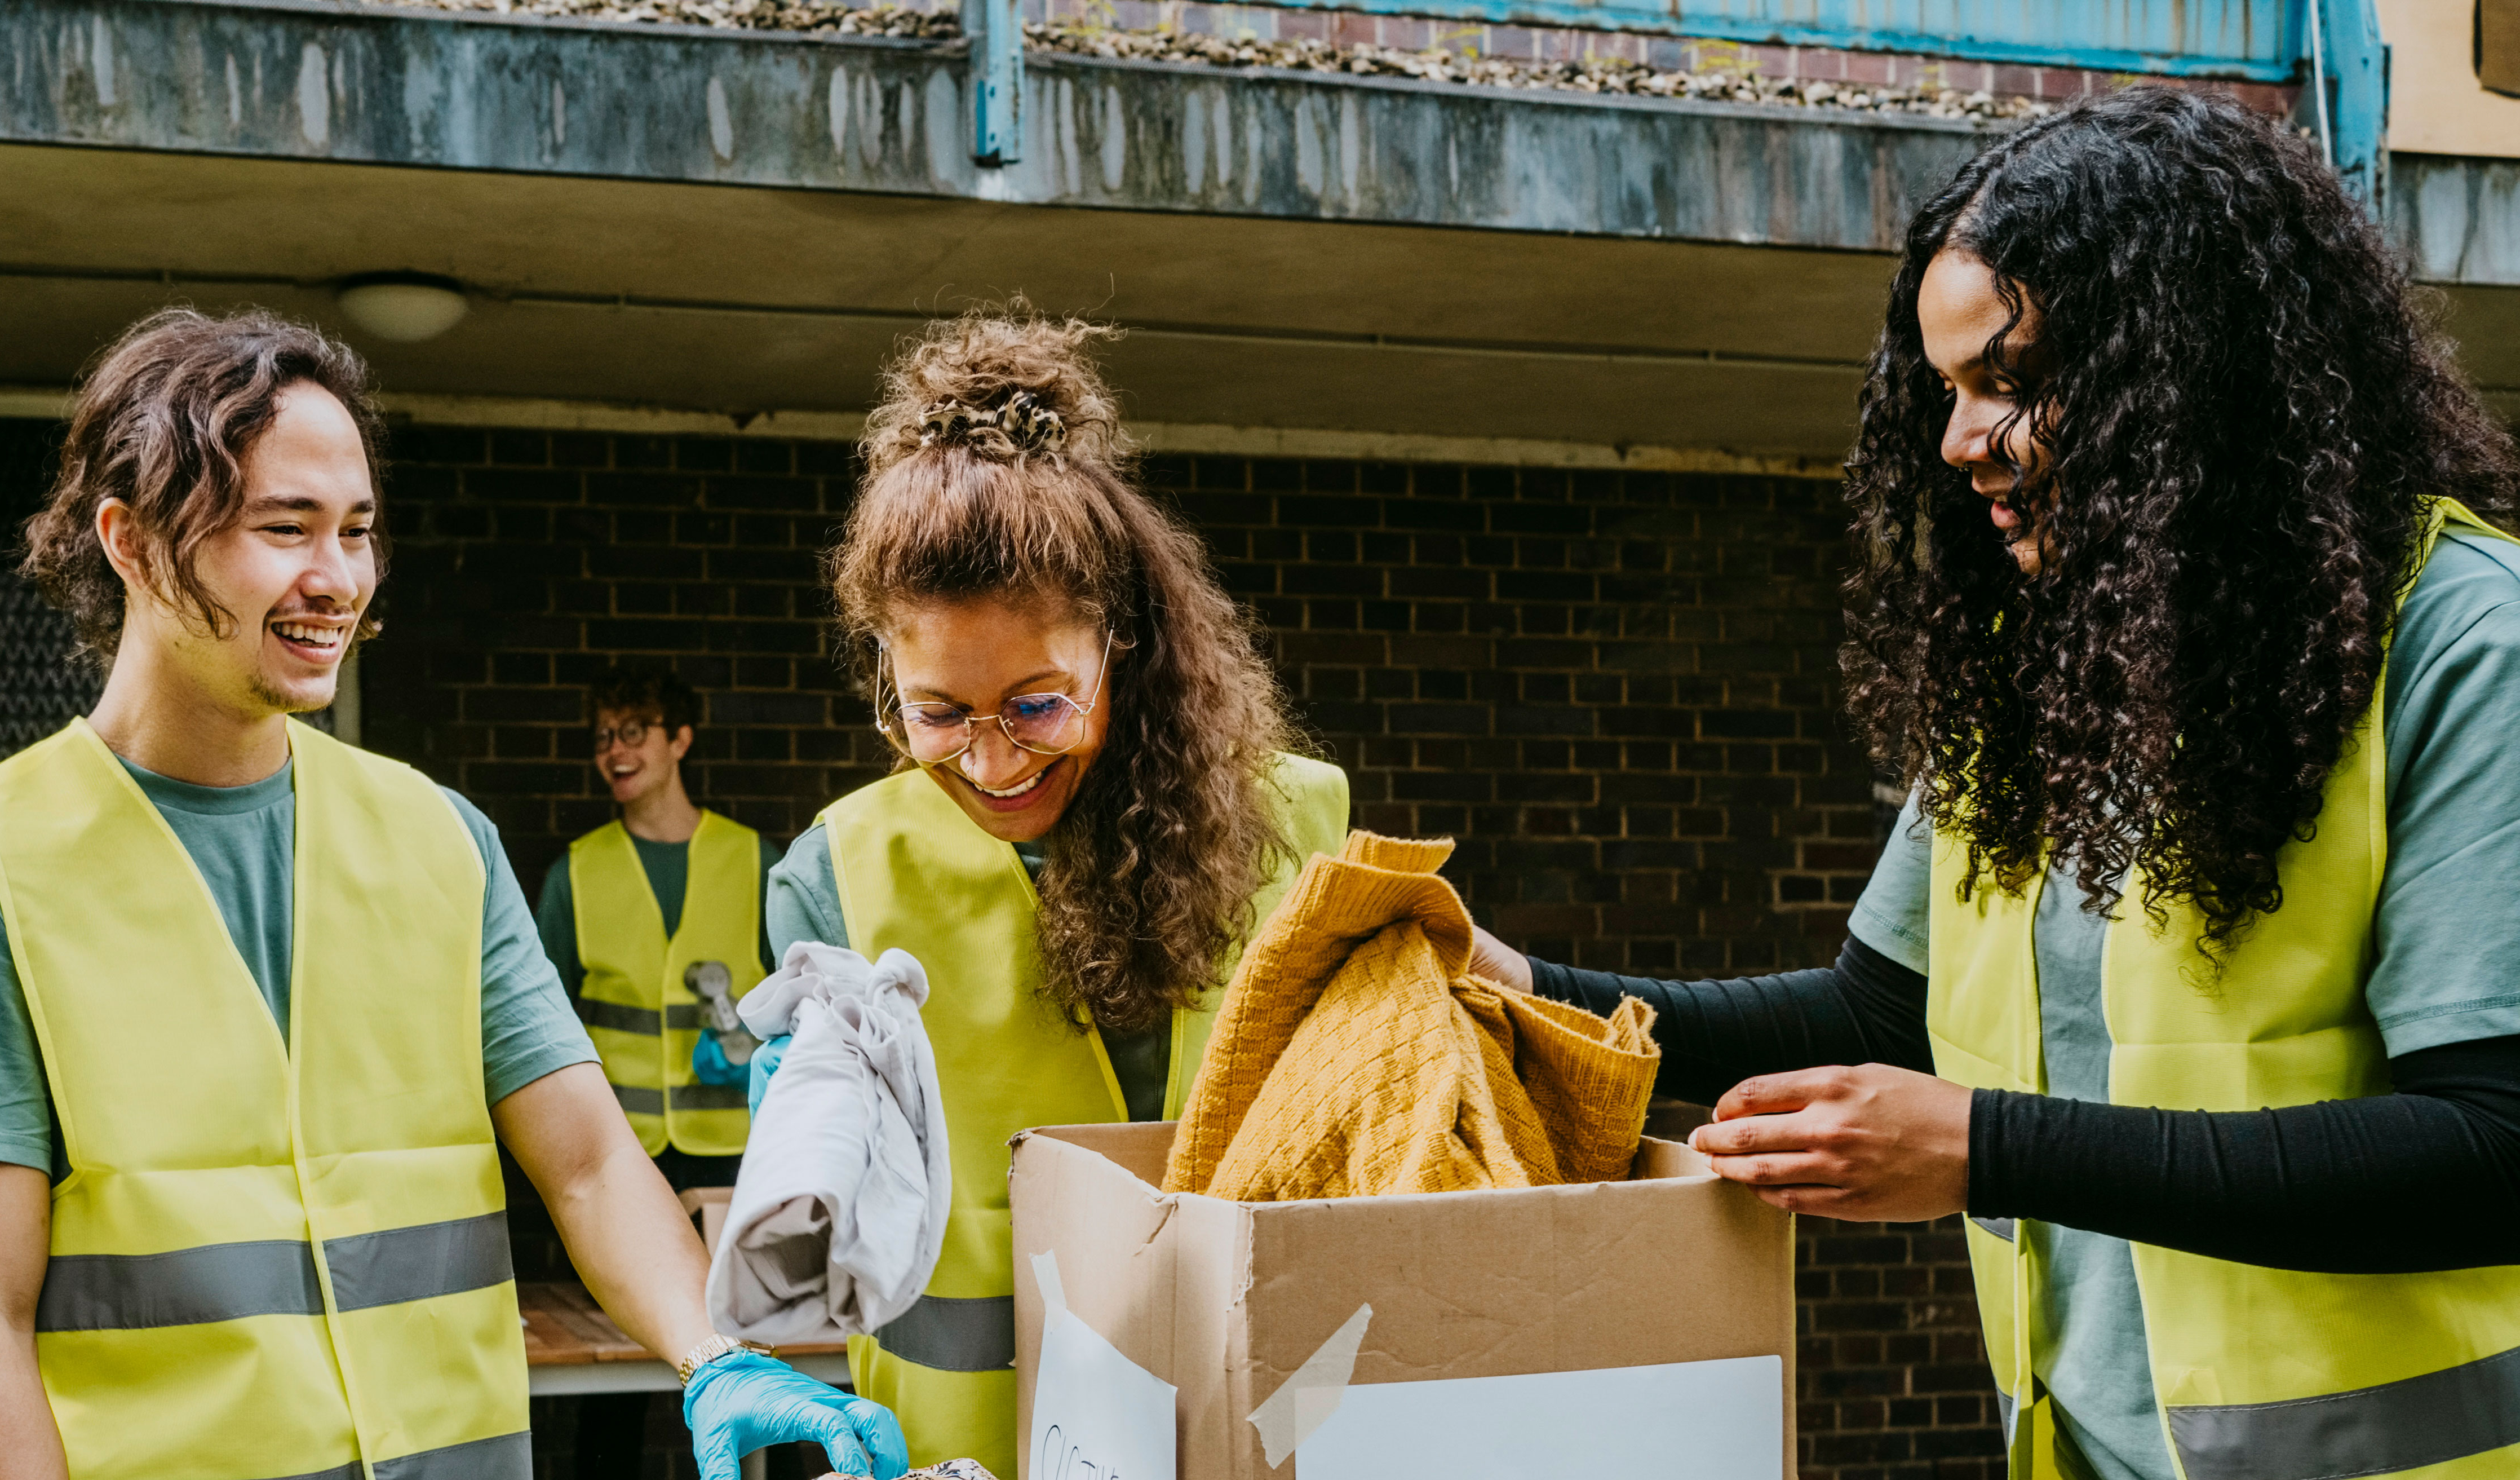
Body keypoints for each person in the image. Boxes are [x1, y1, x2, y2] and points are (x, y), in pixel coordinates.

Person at [1464, 89, 2520, 1480]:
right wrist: (1520, 991)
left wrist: (1983, 1150)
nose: (1962, 443)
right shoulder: (2056, 662)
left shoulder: (2465, 646)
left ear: (2191, 364)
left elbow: (2490, 1150)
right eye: (1948, 391)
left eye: (2012, 382)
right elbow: (1879, 1014)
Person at [0, 308, 904, 1480]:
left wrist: (716, 1353)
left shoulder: (442, 840)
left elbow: (591, 1163)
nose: (337, 577)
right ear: (130, 543)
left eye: (357, 530)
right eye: (286, 527)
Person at [759, 314, 1349, 1473]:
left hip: (1262, 1433)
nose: (991, 763)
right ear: (886, 675)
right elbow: (814, 1231)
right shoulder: (832, 876)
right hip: (960, 1452)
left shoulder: (1310, 825)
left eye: (1038, 705)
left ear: (1121, 645)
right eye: (938, 712)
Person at [534, 664, 785, 1187]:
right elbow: (542, 1022)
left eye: (633, 732)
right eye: (604, 736)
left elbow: (800, 1001)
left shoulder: (755, 860)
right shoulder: (574, 873)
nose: (614, 751)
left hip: (740, 1144)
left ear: (680, 740)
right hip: (616, 1147)